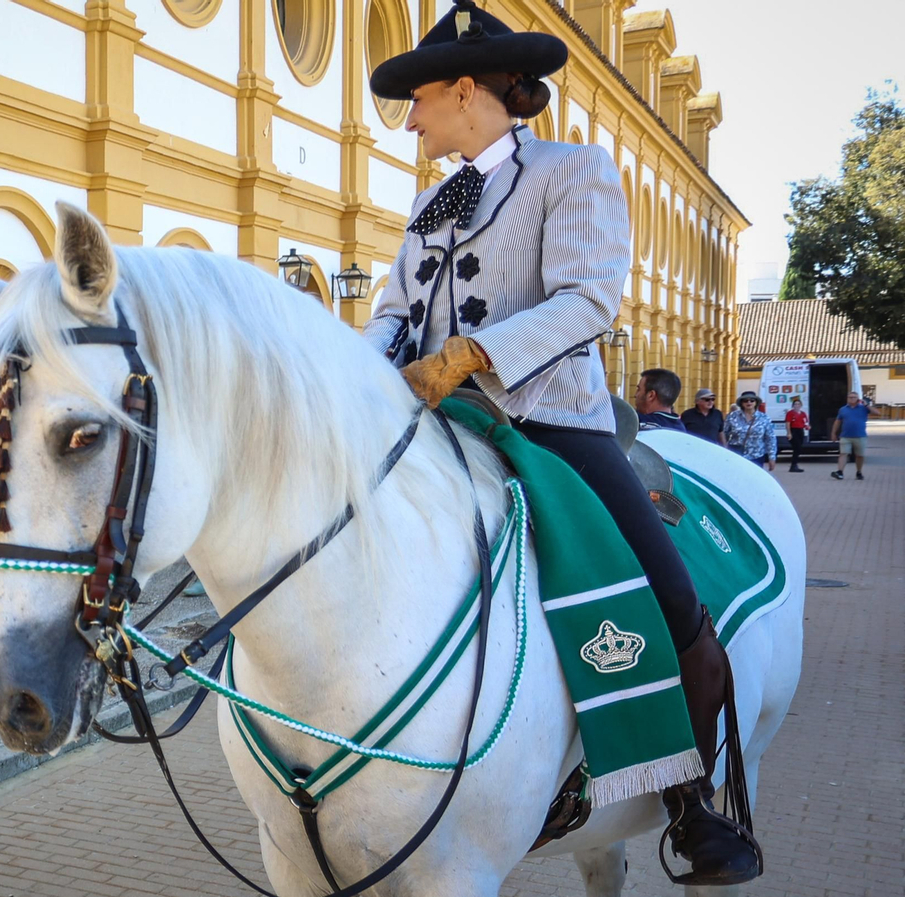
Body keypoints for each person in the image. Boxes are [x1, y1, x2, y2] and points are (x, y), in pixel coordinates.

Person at [362, 1, 760, 883]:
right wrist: (354, 385)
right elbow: (392, 315)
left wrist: (468, 355)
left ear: (468, 90)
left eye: (419, 99)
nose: (411, 116)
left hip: (548, 419)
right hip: (434, 423)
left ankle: (694, 803)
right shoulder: (428, 202)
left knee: (666, 595)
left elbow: (587, 299)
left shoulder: (573, 170)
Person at [831, 391, 878, 480]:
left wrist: (866, 405)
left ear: (858, 399)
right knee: (843, 454)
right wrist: (833, 433)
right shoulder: (843, 409)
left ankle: (859, 472)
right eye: (850, 397)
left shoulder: (863, 408)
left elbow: (877, 413)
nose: (852, 399)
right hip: (845, 436)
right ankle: (840, 472)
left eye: (854, 397)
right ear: (847, 399)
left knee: (859, 455)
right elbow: (837, 422)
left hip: (860, 436)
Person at [725, 393, 776, 472]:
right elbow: (724, 434)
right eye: (746, 401)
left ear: (756, 403)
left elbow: (770, 438)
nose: (749, 403)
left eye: (752, 400)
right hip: (736, 454)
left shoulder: (764, 418)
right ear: (742, 403)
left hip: (756, 456)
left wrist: (772, 457)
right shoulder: (733, 416)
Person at [784, 397, 809, 472]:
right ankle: (793, 465)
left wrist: (807, 426)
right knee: (796, 448)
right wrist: (789, 433)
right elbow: (788, 423)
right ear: (793, 405)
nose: (797, 405)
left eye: (798, 404)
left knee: (799, 448)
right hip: (793, 430)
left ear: (801, 405)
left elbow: (805, 422)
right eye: (795, 404)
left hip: (800, 431)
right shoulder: (790, 413)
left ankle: (795, 464)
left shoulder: (803, 414)